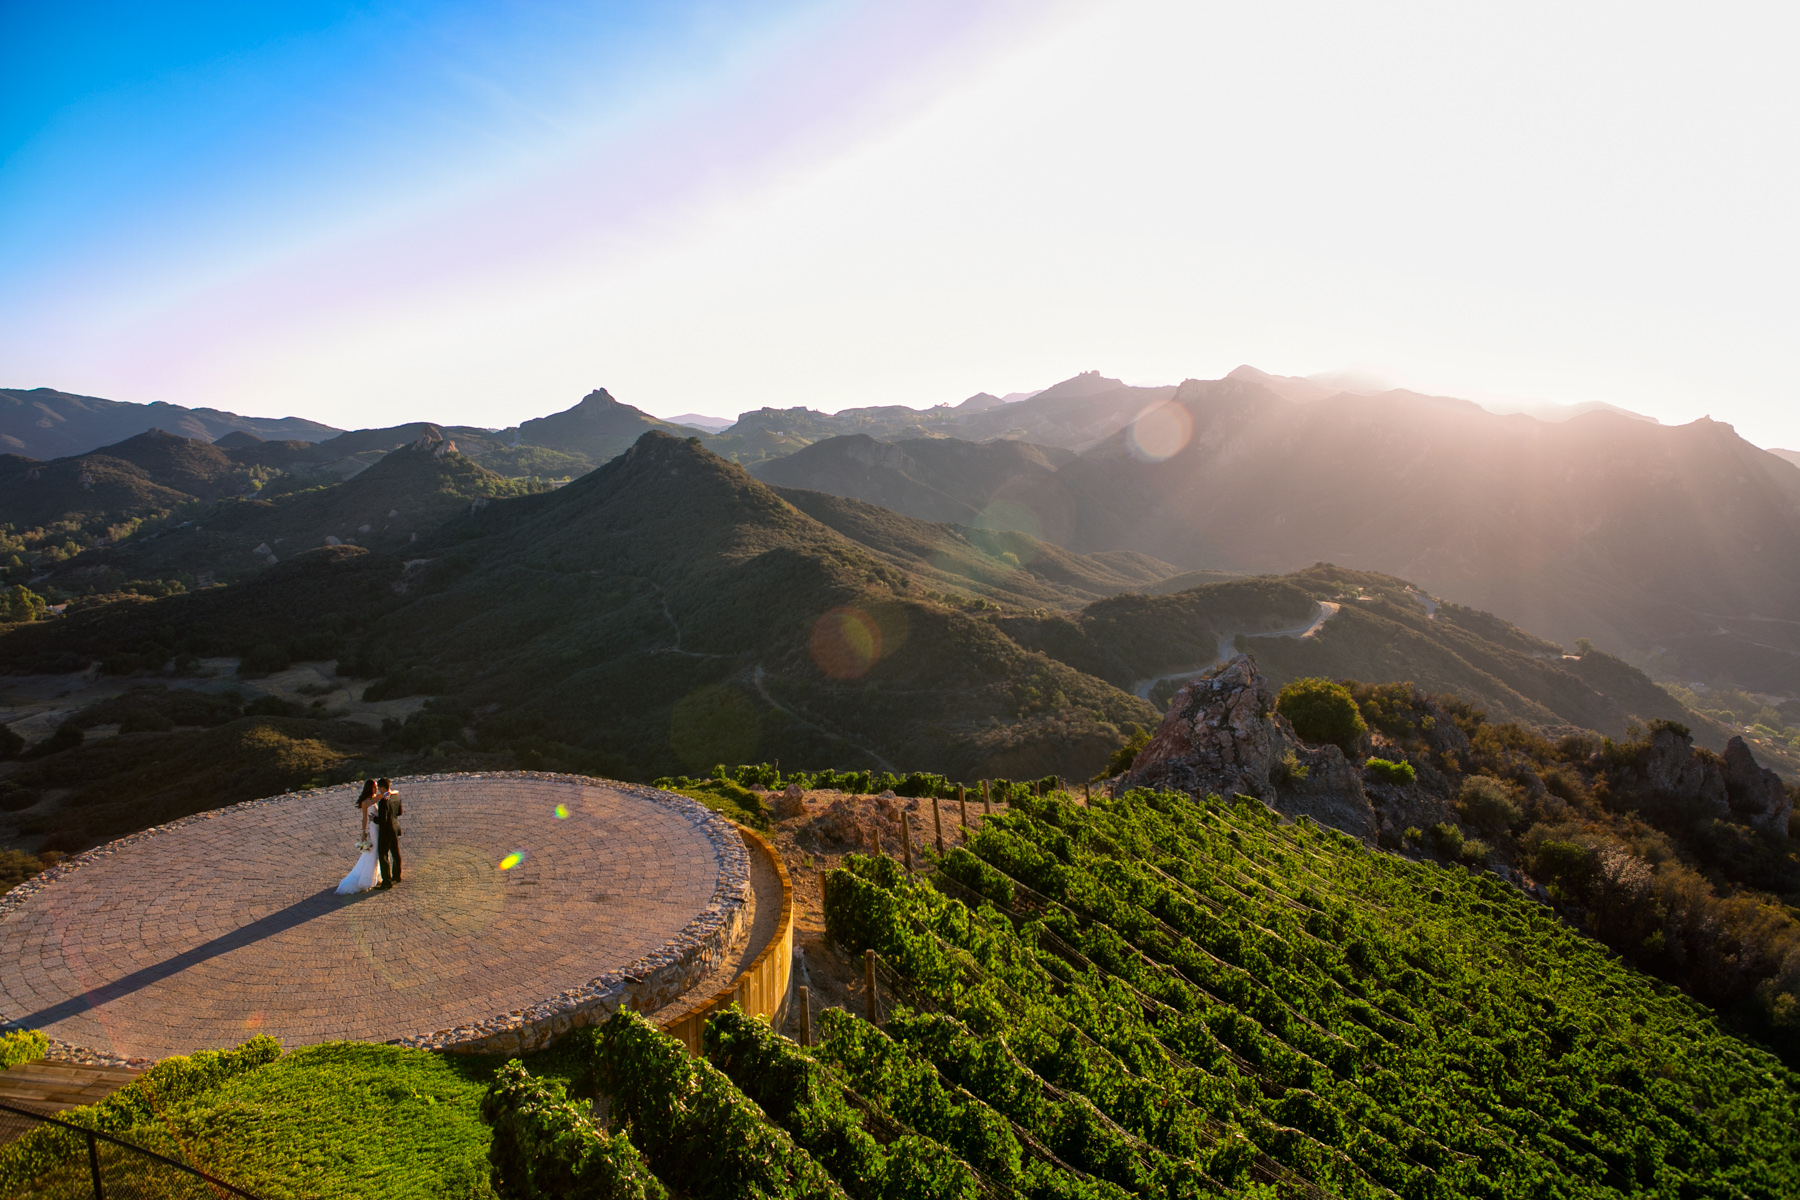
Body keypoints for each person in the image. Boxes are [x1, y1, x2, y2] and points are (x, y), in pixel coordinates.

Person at [335, 780, 381, 894]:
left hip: (377, 827)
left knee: (376, 851)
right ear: (369, 788)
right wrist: (363, 833)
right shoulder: (366, 802)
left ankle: (375, 875)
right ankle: (368, 878)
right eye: (374, 787)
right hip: (373, 828)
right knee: (374, 851)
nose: (376, 789)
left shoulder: (374, 798)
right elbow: (364, 818)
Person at [373, 777, 402, 887]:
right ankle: (397, 875)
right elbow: (399, 812)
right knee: (395, 852)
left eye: (378, 787)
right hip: (395, 827)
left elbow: (382, 820)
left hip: (386, 831)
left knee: (383, 854)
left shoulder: (383, 801)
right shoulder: (396, 797)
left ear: (382, 787)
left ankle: (386, 881)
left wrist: (373, 819)